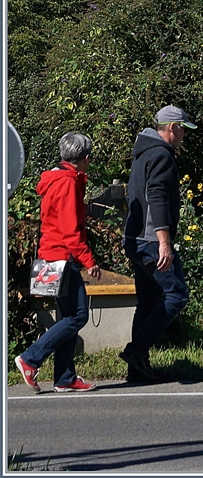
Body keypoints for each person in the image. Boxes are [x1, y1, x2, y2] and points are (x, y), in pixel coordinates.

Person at [14, 132, 103, 392]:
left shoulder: (56, 179)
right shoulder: (67, 184)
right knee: (78, 316)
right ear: (84, 158)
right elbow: (70, 229)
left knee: (68, 315)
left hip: (51, 256)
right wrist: (89, 260)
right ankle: (30, 358)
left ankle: (64, 377)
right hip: (63, 257)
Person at [120, 105, 196, 382]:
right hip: (152, 240)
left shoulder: (143, 153)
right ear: (172, 128)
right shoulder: (162, 155)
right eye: (183, 131)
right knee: (176, 295)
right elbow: (156, 196)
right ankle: (136, 351)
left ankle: (137, 369)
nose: (183, 137)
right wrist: (164, 242)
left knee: (149, 300)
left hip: (135, 238)